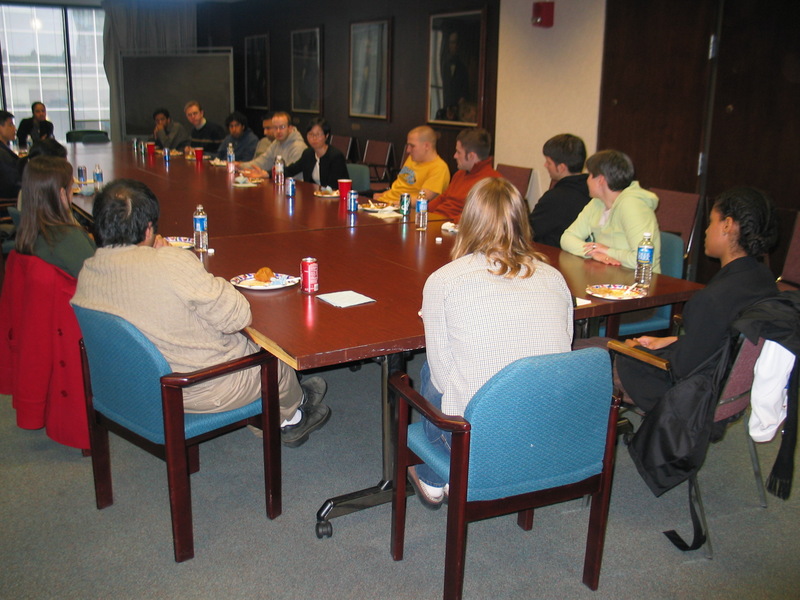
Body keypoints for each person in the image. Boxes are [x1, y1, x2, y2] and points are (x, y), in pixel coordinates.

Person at [70, 179, 331, 447]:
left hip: (136, 386)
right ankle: (292, 417)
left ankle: (282, 407)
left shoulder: (88, 271)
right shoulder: (168, 261)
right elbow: (238, 316)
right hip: (195, 388)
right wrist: (181, 262)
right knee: (275, 361)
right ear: (148, 229)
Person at [409, 177, 574, 507]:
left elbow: (441, 380)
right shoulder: (555, 278)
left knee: (429, 372)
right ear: (521, 220)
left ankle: (435, 476)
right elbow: (564, 350)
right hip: (546, 429)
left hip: (477, 438)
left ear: (467, 222)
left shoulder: (443, 281)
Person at [615, 187, 779, 412]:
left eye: (711, 222)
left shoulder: (712, 298)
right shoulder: (764, 279)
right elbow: (721, 341)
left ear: (727, 225)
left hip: (687, 395)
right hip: (725, 388)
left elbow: (680, 369)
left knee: (591, 353)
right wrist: (670, 340)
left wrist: (638, 351)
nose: (707, 230)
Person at [560, 149, 661, 272]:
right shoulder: (597, 203)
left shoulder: (632, 206)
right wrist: (593, 252)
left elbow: (643, 260)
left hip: (639, 280)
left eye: (590, 175)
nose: (587, 180)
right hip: (609, 275)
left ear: (600, 180)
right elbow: (567, 238)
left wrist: (607, 251)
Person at [15, 156, 95, 278]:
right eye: (71, 188)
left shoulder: (26, 234)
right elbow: (99, 279)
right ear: (62, 195)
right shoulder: (68, 238)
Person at [426, 127, 500, 222]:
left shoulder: (490, 183)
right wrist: (422, 213)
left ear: (471, 156)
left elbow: (473, 218)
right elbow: (443, 198)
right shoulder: (459, 174)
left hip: (451, 226)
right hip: (436, 220)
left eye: (458, 152)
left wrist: (441, 222)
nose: (455, 156)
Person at [529, 134, 591, 247]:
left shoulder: (555, 198)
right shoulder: (592, 192)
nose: (545, 165)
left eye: (549, 162)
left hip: (554, 254)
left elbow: (528, 232)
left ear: (561, 167)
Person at [374, 126, 451, 206]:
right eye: (408, 145)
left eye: (412, 146)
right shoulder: (412, 158)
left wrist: (389, 204)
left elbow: (421, 199)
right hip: (385, 201)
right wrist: (383, 195)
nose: (408, 150)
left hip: (399, 207)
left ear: (427, 146)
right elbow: (401, 187)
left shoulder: (439, 168)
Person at [280, 117, 349, 189]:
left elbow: (334, 186)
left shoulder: (335, 156)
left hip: (333, 194)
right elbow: (292, 170)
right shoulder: (308, 154)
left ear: (326, 136)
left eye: (318, 134)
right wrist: (275, 172)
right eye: (310, 134)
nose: (314, 138)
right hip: (312, 193)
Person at [238, 111, 306, 177]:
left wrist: (268, 174)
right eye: (275, 128)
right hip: (278, 181)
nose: (278, 131)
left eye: (282, 127)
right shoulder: (276, 142)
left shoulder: (298, 147)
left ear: (290, 128)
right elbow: (263, 161)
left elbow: (290, 173)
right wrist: (240, 166)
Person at [0, 110, 21, 199]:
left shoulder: (4, 150)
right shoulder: (2, 154)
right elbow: (13, 183)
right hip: (10, 201)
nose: (14, 128)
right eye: (10, 125)